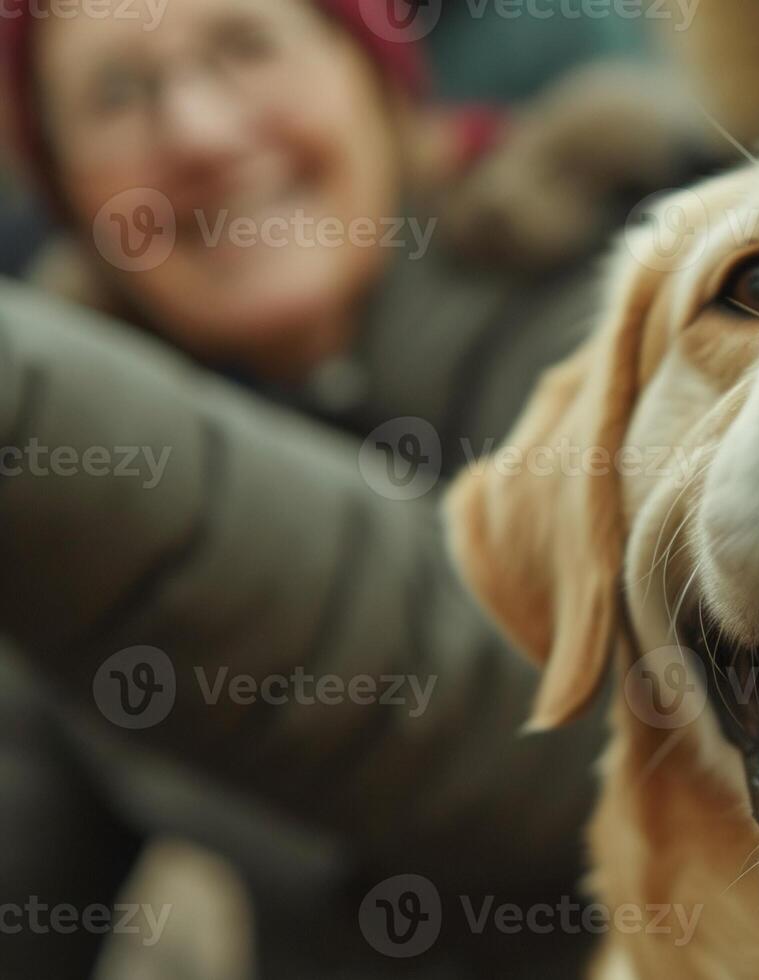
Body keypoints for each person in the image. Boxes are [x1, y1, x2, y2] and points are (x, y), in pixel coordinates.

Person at [0, 0, 705, 975]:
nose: (199, 133)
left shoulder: (616, 300)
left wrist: (30, 404)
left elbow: (572, 738)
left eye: (245, 45)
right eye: (117, 94)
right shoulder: (61, 504)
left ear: (374, 81)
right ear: (72, 197)